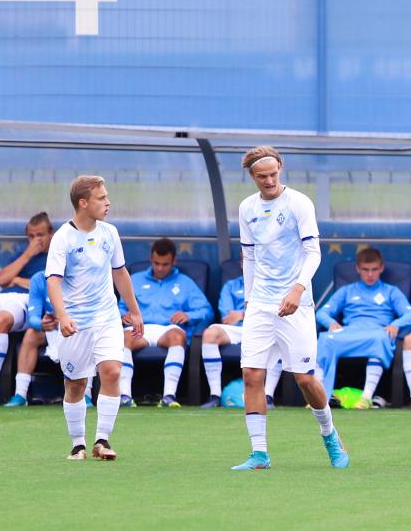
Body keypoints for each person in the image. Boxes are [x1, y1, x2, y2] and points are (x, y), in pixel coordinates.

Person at [230, 146, 349, 471]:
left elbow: (313, 253)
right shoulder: (247, 208)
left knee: (304, 380)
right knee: (252, 375)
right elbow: (249, 256)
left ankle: (330, 435)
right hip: (260, 305)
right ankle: (259, 454)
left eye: (273, 174)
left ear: (280, 169)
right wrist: (250, 300)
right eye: (262, 176)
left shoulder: (299, 203)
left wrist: (297, 289)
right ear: (252, 176)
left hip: (297, 304)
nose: (269, 181)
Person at [46, 176, 143, 461]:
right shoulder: (63, 237)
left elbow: (120, 272)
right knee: (76, 383)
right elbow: (53, 280)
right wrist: (63, 316)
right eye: (101, 198)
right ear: (83, 203)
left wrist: (135, 311)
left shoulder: (110, 232)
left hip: (107, 318)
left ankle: (102, 440)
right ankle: (78, 444)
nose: (108, 202)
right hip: (76, 324)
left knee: (112, 371)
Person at [315, 247, 411, 408]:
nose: (370, 274)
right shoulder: (347, 291)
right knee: (325, 339)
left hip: (377, 333)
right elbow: (321, 313)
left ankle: (366, 397)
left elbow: (410, 315)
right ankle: (318, 398)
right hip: (349, 333)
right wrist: (330, 323)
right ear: (358, 269)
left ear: (381, 268)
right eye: (365, 269)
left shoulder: (391, 291)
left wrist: (395, 324)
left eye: (374, 269)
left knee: (381, 338)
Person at [116, 238, 212, 407]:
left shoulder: (185, 282)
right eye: (156, 263)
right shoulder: (135, 279)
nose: (160, 268)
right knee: (121, 338)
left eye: (165, 264)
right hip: (140, 329)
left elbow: (207, 311)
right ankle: (125, 396)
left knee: (178, 336)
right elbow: (119, 306)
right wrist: (123, 315)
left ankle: (169, 396)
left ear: (174, 262)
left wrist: (188, 315)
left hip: (168, 330)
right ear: (151, 259)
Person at [200, 273, 284, 408]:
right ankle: (215, 396)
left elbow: (277, 312)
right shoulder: (231, 285)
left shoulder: (274, 282)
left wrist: (242, 315)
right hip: (238, 329)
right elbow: (228, 317)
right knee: (210, 334)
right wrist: (243, 317)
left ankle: (268, 397)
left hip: (264, 328)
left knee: (279, 334)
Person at [0, 212, 53, 397]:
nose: (36, 240)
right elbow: (2, 279)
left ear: (50, 234)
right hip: (2, 297)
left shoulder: (56, 256)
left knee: (1, 320)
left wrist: (17, 280)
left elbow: (48, 286)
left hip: (28, 301)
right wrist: (28, 254)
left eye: (40, 235)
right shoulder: (24, 254)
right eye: (31, 236)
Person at [3, 271, 64, 407]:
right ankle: (20, 394)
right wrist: (42, 323)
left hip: (78, 327)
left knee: (85, 334)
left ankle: (86, 395)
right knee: (31, 334)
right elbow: (34, 316)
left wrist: (66, 321)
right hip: (53, 329)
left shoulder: (81, 276)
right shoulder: (39, 278)